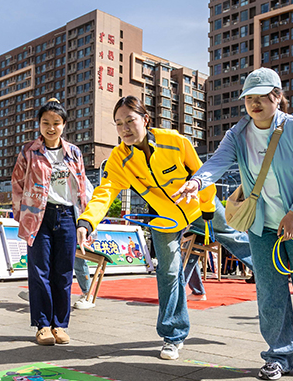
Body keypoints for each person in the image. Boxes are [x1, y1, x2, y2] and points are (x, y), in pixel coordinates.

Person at [181, 67, 293, 380]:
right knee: (270, 296)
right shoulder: (238, 133)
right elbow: (217, 162)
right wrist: (197, 181)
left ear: (278, 97)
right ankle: (279, 355)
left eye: (262, 97)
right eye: (249, 98)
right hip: (261, 230)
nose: (254, 104)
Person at [76, 96, 217, 360]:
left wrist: (209, 208)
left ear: (146, 120)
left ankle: (280, 274)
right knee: (169, 273)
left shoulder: (175, 141)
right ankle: (173, 337)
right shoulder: (119, 159)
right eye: (118, 124)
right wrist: (87, 221)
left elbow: (202, 174)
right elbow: (104, 193)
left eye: (130, 120)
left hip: (201, 205)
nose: (125, 129)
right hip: (164, 217)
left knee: (245, 243)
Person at [12, 99, 91, 345]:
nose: (50, 128)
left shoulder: (74, 152)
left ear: (64, 125)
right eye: (45, 122)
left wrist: (85, 221)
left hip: (67, 215)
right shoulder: (29, 151)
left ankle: (60, 325)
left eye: (56, 123)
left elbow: (82, 188)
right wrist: (21, 215)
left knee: (64, 272)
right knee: (39, 272)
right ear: (39, 124)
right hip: (39, 217)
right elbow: (17, 184)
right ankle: (43, 325)